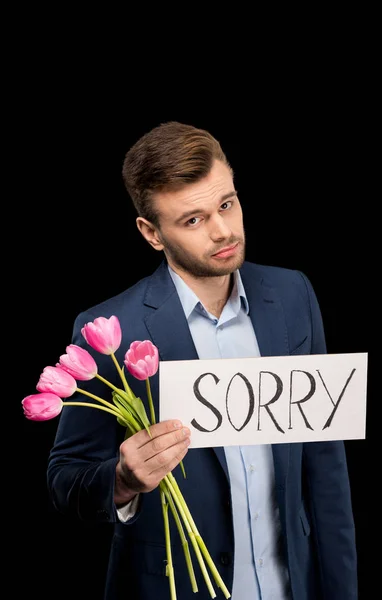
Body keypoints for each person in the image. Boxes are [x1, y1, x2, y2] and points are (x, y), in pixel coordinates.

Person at [46, 121, 358, 600]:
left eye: (227, 205)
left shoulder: (294, 294)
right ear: (151, 233)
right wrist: (123, 480)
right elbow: (65, 479)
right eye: (193, 220)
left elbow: (325, 466)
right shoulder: (108, 331)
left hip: (295, 585)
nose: (223, 231)